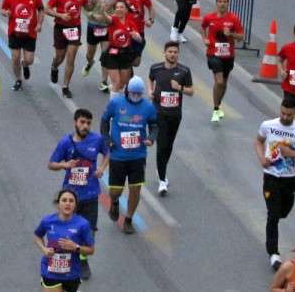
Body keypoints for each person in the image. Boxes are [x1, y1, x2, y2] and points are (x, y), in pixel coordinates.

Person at [47, 108, 109, 282]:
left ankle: (82, 260)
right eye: (82, 122)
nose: (85, 126)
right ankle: (68, 259)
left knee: (89, 230)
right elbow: (51, 164)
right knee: (69, 229)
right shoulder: (65, 143)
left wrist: (101, 168)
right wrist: (65, 165)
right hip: (70, 197)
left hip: (90, 194)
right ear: (75, 122)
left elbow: (107, 153)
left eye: (88, 123)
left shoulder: (97, 139)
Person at [256, 97, 295, 269]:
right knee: (273, 215)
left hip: (290, 179)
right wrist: (262, 158)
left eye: (289, 114)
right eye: (282, 113)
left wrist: (292, 154)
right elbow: (258, 141)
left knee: (283, 212)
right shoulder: (268, 125)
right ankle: (273, 253)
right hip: (271, 177)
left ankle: (277, 219)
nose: (285, 117)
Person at [101, 76, 157, 234]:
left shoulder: (148, 107)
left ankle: (128, 219)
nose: (135, 97)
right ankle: (115, 202)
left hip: (138, 156)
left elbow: (154, 126)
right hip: (118, 156)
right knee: (115, 191)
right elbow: (104, 121)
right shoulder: (116, 103)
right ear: (127, 91)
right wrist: (107, 139)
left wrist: (151, 139)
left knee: (135, 189)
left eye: (138, 94)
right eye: (133, 93)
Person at [148, 40, 193, 196]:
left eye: (175, 52)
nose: (173, 54)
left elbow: (191, 91)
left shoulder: (184, 71)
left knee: (168, 146)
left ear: (178, 54)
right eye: (170, 52)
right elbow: (150, 78)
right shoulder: (156, 68)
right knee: (162, 145)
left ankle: (161, 167)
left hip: (175, 114)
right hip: (158, 113)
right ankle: (162, 180)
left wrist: (179, 88)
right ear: (165, 53)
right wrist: (150, 90)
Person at [34, 189, 96, 292]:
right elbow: (37, 236)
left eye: (71, 201)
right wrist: (44, 249)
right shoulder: (48, 221)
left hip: (72, 273)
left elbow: (91, 250)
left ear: (75, 205)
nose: (67, 203)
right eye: (64, 200)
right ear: (58, 204)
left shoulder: (83, 224)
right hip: (50, 270)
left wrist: (75, 247)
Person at [200, 0, 244, 122]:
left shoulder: (233, 19)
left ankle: (218, 106)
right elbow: (202, 27)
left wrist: (231, 34)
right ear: (216, 3)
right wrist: (204, 39)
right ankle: (215, 109)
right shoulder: (209, 18)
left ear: (228, 3)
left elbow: (241, 37)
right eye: (220, 1)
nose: (222, 4)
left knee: (223, 84)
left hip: (228, 55)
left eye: (224, 2)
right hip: (213, 54)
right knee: (219, 81)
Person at [1, 0, 44, 91]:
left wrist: (39, 24)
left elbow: (41, 10)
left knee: (29, 60)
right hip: (15, 32)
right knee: (15, 58)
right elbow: (3, 9)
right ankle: (18, 79)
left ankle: (25, 65)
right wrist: (6, 13)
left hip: (30, 34)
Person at [48, 0, 88, 98]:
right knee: (60, 57)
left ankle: (65, 86)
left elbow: (87, 6)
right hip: (60, 28)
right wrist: (60, 15)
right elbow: (46, 8)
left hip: (75, 28)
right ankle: (54, 67)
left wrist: (95, 4)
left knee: (71, 58)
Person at [102, 0, 144, 95]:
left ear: (126, 10)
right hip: (112, 54)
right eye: (117, 7)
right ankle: (113, 107)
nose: (119, 9)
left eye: (121, 7)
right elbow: (106, 18)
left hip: (126, 54)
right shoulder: (113, 19)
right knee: (116, 83)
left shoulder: (131, 23)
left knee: (122, 84)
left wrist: (136, 36)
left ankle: (113, 89)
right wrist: (102, 11)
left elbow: (139, 39)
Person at [114, 0, 154, 68]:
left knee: (136, 62)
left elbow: (150, 7)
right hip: (123, 31)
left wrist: (150, 20)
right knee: (124, 59)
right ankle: (126, 78)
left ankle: (126, 73)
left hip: (138, 31)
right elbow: (111, 4)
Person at [83, 0, 114, 92]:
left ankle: (104, 81)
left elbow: (116, 10)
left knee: (106, 54)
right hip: (93, 27)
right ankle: (90, 63)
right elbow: (85, 9)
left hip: (106, 28)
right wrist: (93, 15)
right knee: (90, 54)